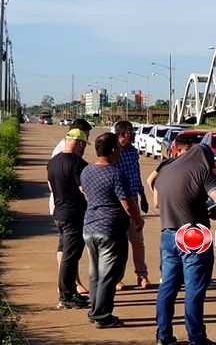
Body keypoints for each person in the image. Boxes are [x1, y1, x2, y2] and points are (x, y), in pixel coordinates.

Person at [154, 142, 216, 345]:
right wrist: (215, 212)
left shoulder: (166, 169)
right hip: (193, 235)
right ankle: (196, 337)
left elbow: (157, 201)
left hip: (168, 235)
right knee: (194, 289)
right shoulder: (202, 171)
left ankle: (163, 336)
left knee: (167, 287)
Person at [80, 132, 145, 328]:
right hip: (110, 230)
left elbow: (86, 194)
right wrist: (138, 220)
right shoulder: (116, 174)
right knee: (108, 275)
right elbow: (127, 203)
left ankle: (94, 311)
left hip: (90, 228)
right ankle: (102, 316)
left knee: (95, 274)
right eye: (118, 147)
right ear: (114, 150)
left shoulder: (87, 171)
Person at [47, 128, 90, 310]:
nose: (84, 149)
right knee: (70, 257)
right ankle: (66, 296)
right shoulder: (77, 163)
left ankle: (70, 291)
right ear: (79, 143)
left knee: (68, 254)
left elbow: (50, 185)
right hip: (73, 215)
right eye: (84, 145)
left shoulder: (53, 162)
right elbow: (85, 189)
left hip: (59, 212)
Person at [113, 120, 152, 290]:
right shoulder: (112, 152)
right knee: (118, 246)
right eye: (131, 132)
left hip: (134, 203)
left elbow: (136, 174)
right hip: (117, 206)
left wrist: (143, 196)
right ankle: (116, 278)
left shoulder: (133, 151)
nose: (134, 135)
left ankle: (142, 276)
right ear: (121, 134)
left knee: (138, 242)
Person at [146, 133, 195, 210]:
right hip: (171, 209)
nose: (191, 153)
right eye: (187, 150)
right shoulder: (166, 164)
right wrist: (158, 198)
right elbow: (150, 180)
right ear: (178, 149)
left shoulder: (193, 165)